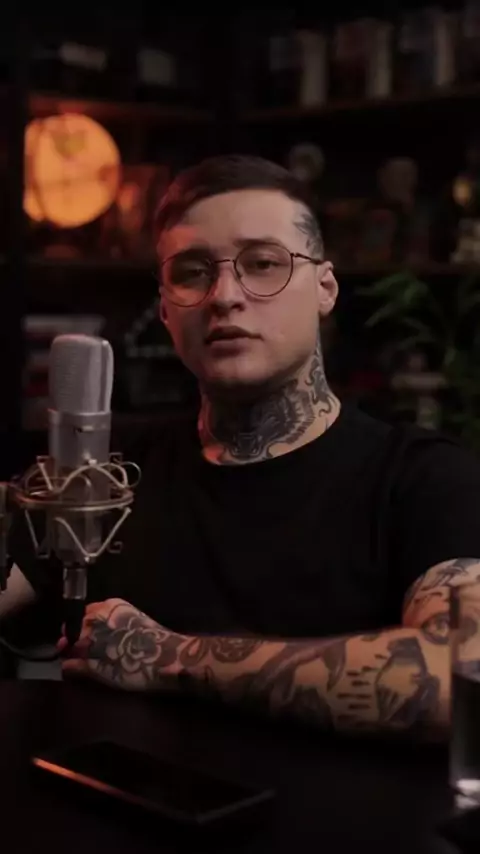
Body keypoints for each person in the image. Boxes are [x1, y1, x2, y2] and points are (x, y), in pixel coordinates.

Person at [3, 154, 480, 735]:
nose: (224, 295)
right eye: (192, 272)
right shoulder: (100, 474)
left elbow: (464, 679)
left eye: (263, 264)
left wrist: (166, 657)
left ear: (325, 288)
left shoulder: (423, 480)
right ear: (164, 309)